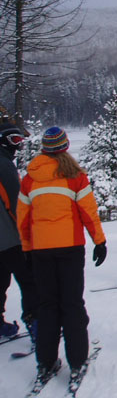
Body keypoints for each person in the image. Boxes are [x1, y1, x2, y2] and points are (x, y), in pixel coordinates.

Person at [17, 127, 107, 385]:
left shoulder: (30, 178)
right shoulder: (75, 176)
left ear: (44, 148)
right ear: (65, 147)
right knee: (72, 305)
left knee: (47, 307)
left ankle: (46, 363)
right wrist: (99, 241)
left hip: (40, 250)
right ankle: (77, 362)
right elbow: (89, 213)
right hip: (70, 248)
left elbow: (23, 218)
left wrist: (26, 247)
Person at [0, 123, 38, 341]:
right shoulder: (4, 165)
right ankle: (36, 326)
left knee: (1, 280)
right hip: (11, 237)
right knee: (29, 279)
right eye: (15, 141)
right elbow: (16, 204)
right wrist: (27, 234)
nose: (19, 146)